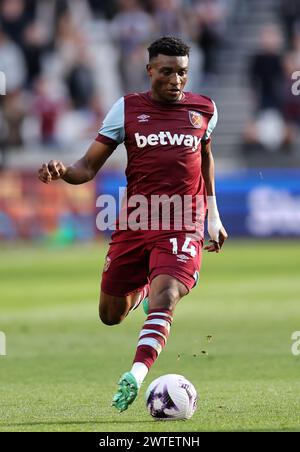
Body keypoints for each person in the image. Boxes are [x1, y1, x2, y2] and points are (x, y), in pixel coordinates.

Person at [38, 36, 228, 413]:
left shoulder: (204, 109)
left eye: (183, 73)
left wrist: (212, 216)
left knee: (168, 294)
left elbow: (205, 157)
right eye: (168, 72)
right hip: (136, 220)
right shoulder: (126, 110)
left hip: (183, 219)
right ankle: (144, 290)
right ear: (150, 71)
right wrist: (63, 172)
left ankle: (137, 373)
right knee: (110, 315)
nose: (177, 80)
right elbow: (87, 167)